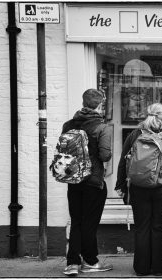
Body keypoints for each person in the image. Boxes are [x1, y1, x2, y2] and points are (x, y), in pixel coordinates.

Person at [115, 103, 162, 276]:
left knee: (141, 226)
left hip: (137, 187)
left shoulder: (134, 135)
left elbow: (123, 163)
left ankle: (141, 268)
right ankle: (158, 267)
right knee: (159, 226)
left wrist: (120, 186)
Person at [62, 89, 113, 276]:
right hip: (93, 179)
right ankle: (90, 261)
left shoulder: (68, 124)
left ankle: (72, 263)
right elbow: (105, 154)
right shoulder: (102, 126)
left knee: (76, 220)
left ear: (83, 102)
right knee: (89, 222)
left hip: (73, 179)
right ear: (99, 105)